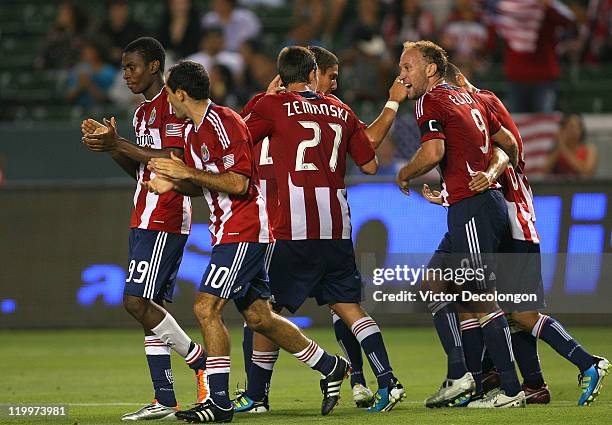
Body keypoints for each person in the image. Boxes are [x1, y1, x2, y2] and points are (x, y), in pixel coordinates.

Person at [144, 60, 350, 423]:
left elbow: (239, 183)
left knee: (206, 308)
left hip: (245, 228)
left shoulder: (223, 122)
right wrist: (174, 183)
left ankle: (219, 401)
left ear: (180, 93)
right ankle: (330, 366)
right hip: (230, 230)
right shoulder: (194, 131)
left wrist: (185, 172)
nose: (167, 101)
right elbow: (205, 181)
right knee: (259, 318)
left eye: (169, 93)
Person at [236, 45, 409, 412]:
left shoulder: (271, 106)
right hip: (336, 227)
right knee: (350, 308)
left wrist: (264, 100)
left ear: (281, 77)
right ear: (313, 73)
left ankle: (256, 396)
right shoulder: (341, 110)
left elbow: (236, 140)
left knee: (264, 312)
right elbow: (371, 165)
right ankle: (388, 381)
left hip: (291, 230)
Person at [442, 63, 609, 406]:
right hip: (517, 225)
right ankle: (534, 385)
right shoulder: (484, 126)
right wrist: (444, 195)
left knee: (517, 313)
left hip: (516, 227)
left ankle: (587, 362)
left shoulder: (485, 120)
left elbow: (502, 160)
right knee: (513, 314)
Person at [80, 37, 207, 421]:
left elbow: (172, 162)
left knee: (135, 302)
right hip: (144, 212)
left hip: (166, 213)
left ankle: (199, 362)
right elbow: (141, 168)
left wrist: (120, 143)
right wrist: (112, 148)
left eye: (132, 67)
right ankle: (165, 399)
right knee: (150, 307)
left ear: (155, 67)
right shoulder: (140, 113)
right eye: (123, 68)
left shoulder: (173, 107)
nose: (126, 75)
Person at [396, 40, 526, 408]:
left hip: (474, 208)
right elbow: (510, 145)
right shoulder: (472, 98)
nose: (401, 75)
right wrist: (481, 175)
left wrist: (404, 173)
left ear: (431, 70)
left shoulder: (430, 100)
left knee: (479, 295)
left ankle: (512, 389)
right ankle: (461, 374)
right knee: (434, 282)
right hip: (475, 204)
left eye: (407, 67)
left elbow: (433, 152)